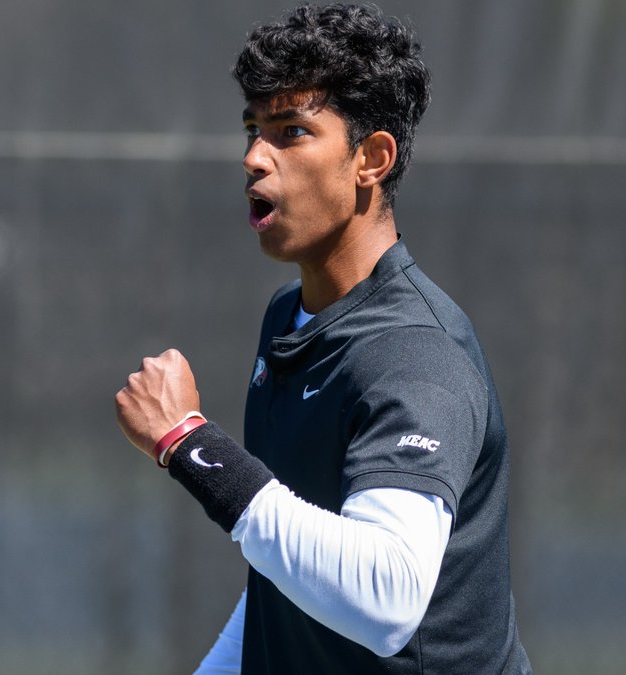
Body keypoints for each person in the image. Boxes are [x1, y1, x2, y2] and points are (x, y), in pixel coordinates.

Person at [115, 4, 532, 673]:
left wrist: (188, 442)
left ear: (371, 158)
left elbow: (387, 597)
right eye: (253, 128)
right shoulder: (290, 317)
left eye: (292, 131)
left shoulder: (416, 355)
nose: (254, 156)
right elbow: (286, 587)